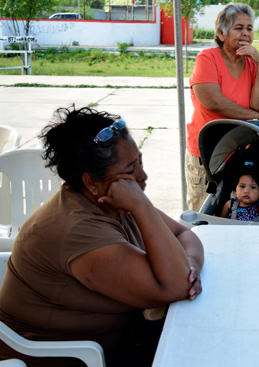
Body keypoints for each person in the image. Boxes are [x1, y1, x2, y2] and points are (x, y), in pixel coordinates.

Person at [0, 107, 205, 367]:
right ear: (91, 182)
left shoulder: (112, 197)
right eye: (130, 171)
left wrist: (190, 265)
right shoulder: (79, 227)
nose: (142, 177)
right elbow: (177, 286)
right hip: (58, 358)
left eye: (140, 162)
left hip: (119, 342)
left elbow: (184, 234)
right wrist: (142, 206)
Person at [187, 3, 259, 211]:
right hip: (206, 152)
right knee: (202, 210)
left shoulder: (252, 63)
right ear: (221, 33)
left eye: (249, 28)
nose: (245, 33)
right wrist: (257, 116)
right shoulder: (207, 58)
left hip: (238, 151)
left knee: (231, 211)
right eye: (239, 28)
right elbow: (215, 103)